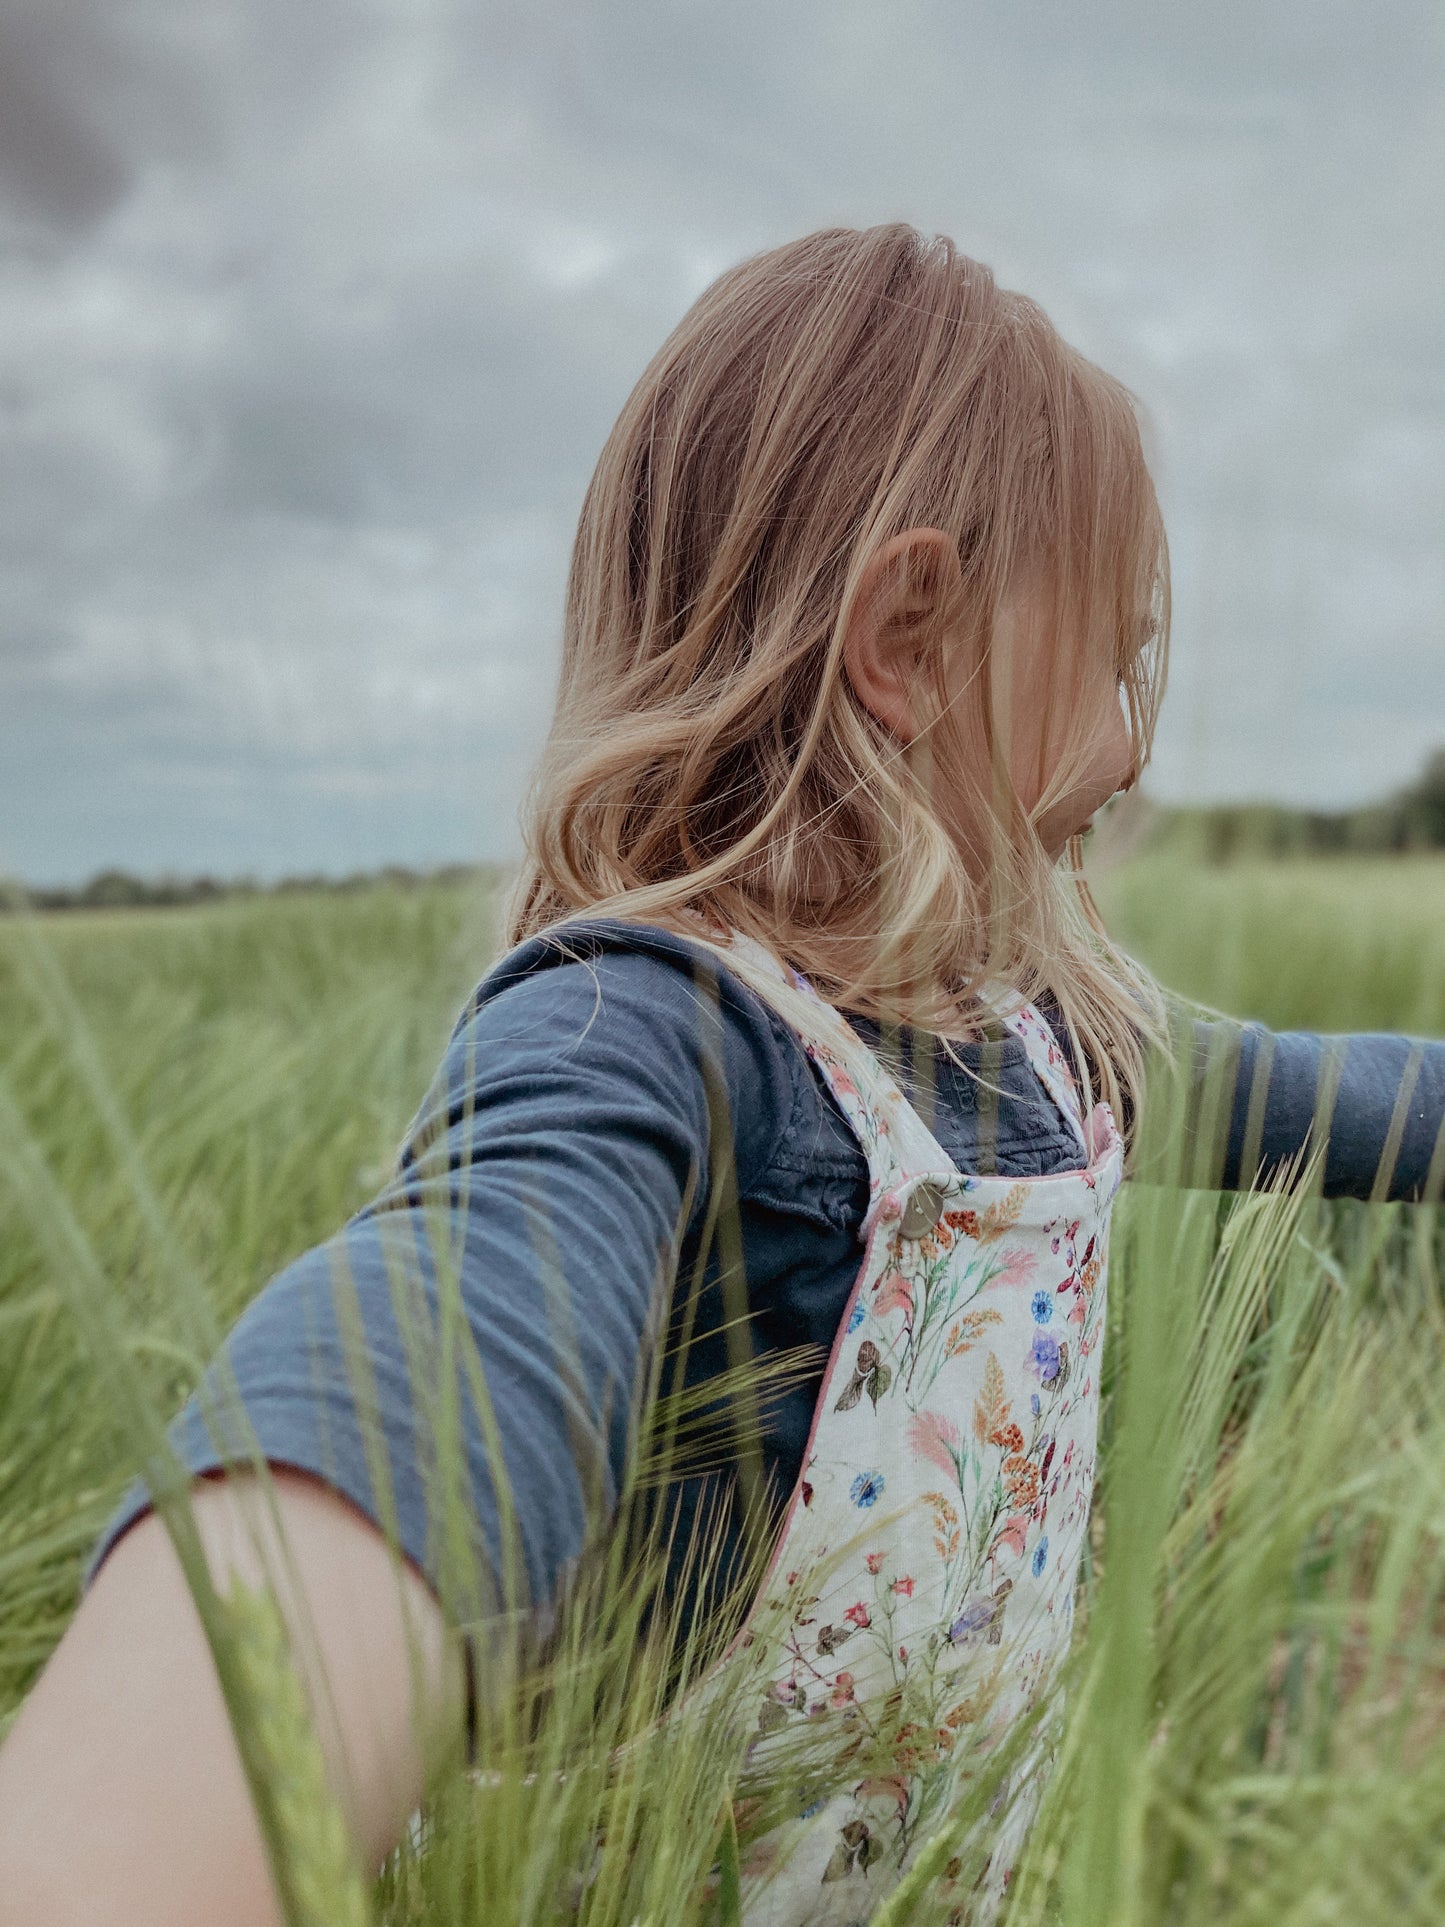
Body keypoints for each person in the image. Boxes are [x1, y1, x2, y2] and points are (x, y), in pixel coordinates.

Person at [1, 224, 1442, 1926]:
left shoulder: (1045, 1024)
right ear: (908, 635)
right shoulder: (637, 1030)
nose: (1134, 748)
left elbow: (1337, 1100)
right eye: (1114, 663)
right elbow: (444, 1327)